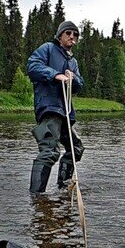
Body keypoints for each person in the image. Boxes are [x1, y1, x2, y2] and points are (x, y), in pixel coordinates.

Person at [27, 20, 85, 194]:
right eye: (68, 33)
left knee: (76, 149)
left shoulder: (72, 61)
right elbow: (33, 66)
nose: (72, 37)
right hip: (49, 109)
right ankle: (37, 197)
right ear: (60, 36)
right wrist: (56, 75)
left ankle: (64, 188)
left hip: (65, 113)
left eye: (75, 35)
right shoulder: (47, 48)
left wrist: (73, 78)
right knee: (49, 152)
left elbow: (79, 85)